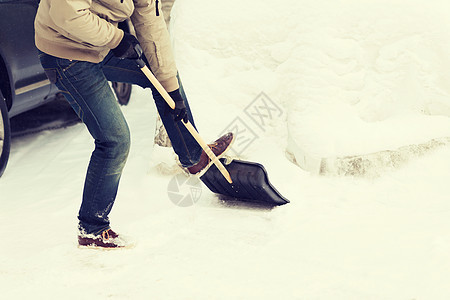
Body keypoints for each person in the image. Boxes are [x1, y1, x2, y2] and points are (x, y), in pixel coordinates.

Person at [34, 0, 234, 249]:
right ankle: (92, 228)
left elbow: (151, 25)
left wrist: (172, 92)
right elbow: (68, 14)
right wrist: (118, 39)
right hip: (66, 53)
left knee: (162, 78)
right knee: (114, 140)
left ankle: (193, 156)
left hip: (98, 43)